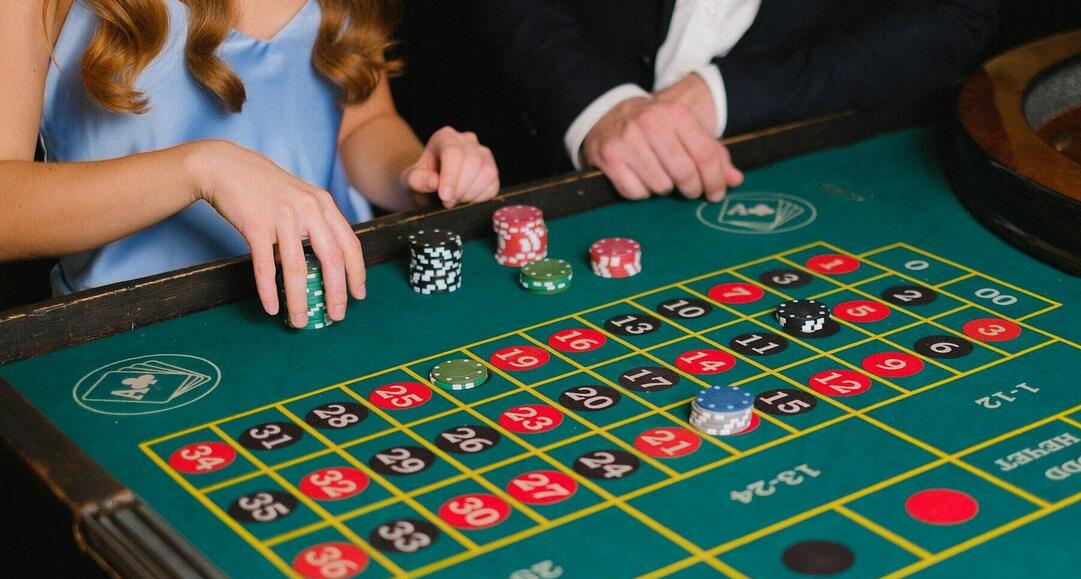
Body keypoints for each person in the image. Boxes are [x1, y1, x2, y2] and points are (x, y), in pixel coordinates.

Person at [0, 0, 499, 328]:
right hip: (134, 342)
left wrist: (413, 172)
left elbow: (360, 124)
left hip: (334, 308)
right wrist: (200, 168)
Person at [480, 0, 998, 202]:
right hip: (527, 165)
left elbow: (957, 13)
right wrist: (597, 105)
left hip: (791, 179)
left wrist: (729, 94)